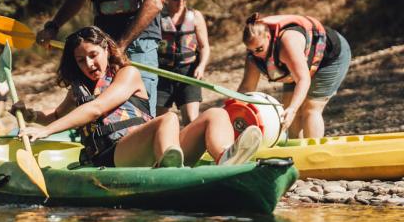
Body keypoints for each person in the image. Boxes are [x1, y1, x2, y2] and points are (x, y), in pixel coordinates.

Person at [16, 26, 262, 168]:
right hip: (112, 154)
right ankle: (170, 171)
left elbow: (97, 108)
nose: (89, 64)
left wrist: (45, 132)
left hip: (150, 147)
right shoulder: (78, 90)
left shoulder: (128, 74)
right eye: (81, 60)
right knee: (168, 120)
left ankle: (227, 157)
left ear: (107, 49)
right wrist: (31, 117)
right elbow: (56, 116)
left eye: (93, 55)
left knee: (216, 114)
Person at [238, 13, 352, 138]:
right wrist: (233, 109)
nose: (256, 54)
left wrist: (293, 109)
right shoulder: (254, 55)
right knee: (287, 107)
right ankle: (296, 150)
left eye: (259, 49)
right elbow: (247, 88)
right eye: (251, 50)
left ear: (268, 36)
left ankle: (313, 153)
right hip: (298, 64)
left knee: (310, 108)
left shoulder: (288, 43)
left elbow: (303, 79)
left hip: (330, 58)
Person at [157, 0, 210, 125]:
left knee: (192, 120)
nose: (181, 1)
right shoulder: (158, 18)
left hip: (188, 72)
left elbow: (205, 46)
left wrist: (201, 66)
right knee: (159, 121)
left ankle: (190, 147)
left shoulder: (195, 16)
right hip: (163, 73)